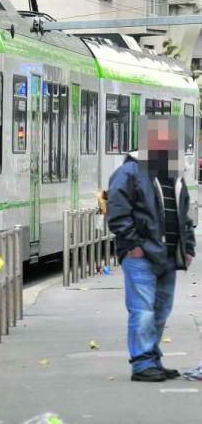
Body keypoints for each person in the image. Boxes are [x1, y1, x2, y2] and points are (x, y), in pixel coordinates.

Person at [106, 117, 196, 382]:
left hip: (168, 254)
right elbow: (118, 210)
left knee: (159, 311)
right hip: (142, 254)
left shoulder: (173, 175)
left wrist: (187, 246)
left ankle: (152, 358)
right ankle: (142, 363)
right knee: (143, 310)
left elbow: (184, 214)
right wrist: (132, 245)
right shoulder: (131, 171)